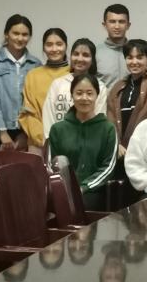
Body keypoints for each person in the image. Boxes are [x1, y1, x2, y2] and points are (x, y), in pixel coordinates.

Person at [47, 74, 118, 211]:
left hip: (94, 190)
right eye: (79, 93)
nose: (84, 98)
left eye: (89, 93)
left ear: (97, 96)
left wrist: (84, 187)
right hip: (62, 190)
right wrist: (64, 189)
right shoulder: (58, 129)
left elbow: (108, 167)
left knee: (80, 206)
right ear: (72, 95)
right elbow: (52, 164)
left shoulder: (108, 129)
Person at [0, 14, 41, 151]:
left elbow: (36, 102)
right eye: (16, 33)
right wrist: (2, 133)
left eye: (25, 34)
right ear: (6, 34)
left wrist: (26, 133)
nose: (20, 38)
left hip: (25, 133)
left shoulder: (36, 65)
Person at [42, 38, 109, 142]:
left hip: (87, 141)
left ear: (92, 59)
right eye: (76, 54)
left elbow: (99, 118)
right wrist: (52, 139)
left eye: (85, 55)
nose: (80, 59)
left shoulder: (100, 87)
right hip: (58, 141)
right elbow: (48, 114)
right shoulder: (58, 84)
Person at [18, 27, 68, 154]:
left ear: (66, 46)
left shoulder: (74, 73)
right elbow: (28, 112)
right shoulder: (33, 75)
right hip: (38, 142)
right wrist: (43, 137)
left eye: (59, 44)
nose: (54, 49)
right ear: (44, 48)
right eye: (49, 45)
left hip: (70, 140)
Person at [107, 38, 147, 158]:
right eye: (130, 57)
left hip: (143, 150)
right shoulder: (118, 86)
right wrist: (116, 144)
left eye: (139, 57)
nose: (134, 61)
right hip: (119, 151)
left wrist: (132, 145)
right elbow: (110, 118)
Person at [96, 4, 130, 88]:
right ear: (104, 25)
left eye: (121, 22)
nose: (117, 26)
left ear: (128, 25)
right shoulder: (95, 53)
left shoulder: (137, 53)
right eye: (112, 21)